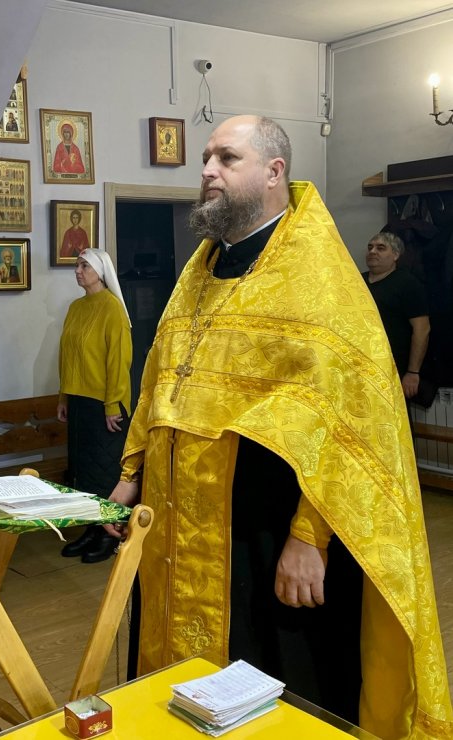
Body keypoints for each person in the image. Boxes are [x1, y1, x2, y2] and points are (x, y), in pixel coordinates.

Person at [106, 115, 451, 738]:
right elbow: (161, 381)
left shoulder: (321, 280)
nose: (207, 171)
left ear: (274, 172)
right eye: (206, 158)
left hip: (267, 531)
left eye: (226, 158)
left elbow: (347, 424)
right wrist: (132, 476)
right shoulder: (202, 270)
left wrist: (309, 538)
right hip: (180, 523)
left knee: (273, 694)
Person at [58, 248, 132, 563]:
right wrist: (64, 397)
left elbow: (119, 361)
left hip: (104, 403)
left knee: (104, 470)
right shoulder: (75, 308)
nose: (78, 271)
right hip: (79, 401)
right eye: (77, 265)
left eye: (84, 266)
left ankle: (109, 534)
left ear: (100, 272)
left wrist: (113, 404)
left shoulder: (112, 309)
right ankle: (91, 528)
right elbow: (66, 356)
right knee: (84, 471)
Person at [362, 232, 430, 400]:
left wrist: (413, 372)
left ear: (395, 255)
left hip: (393, 366)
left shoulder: (407, 283)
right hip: (360, 363)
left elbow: (422, 329)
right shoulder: (356, 281)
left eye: (381, 248)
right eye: (370, 247)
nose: (372, 251)